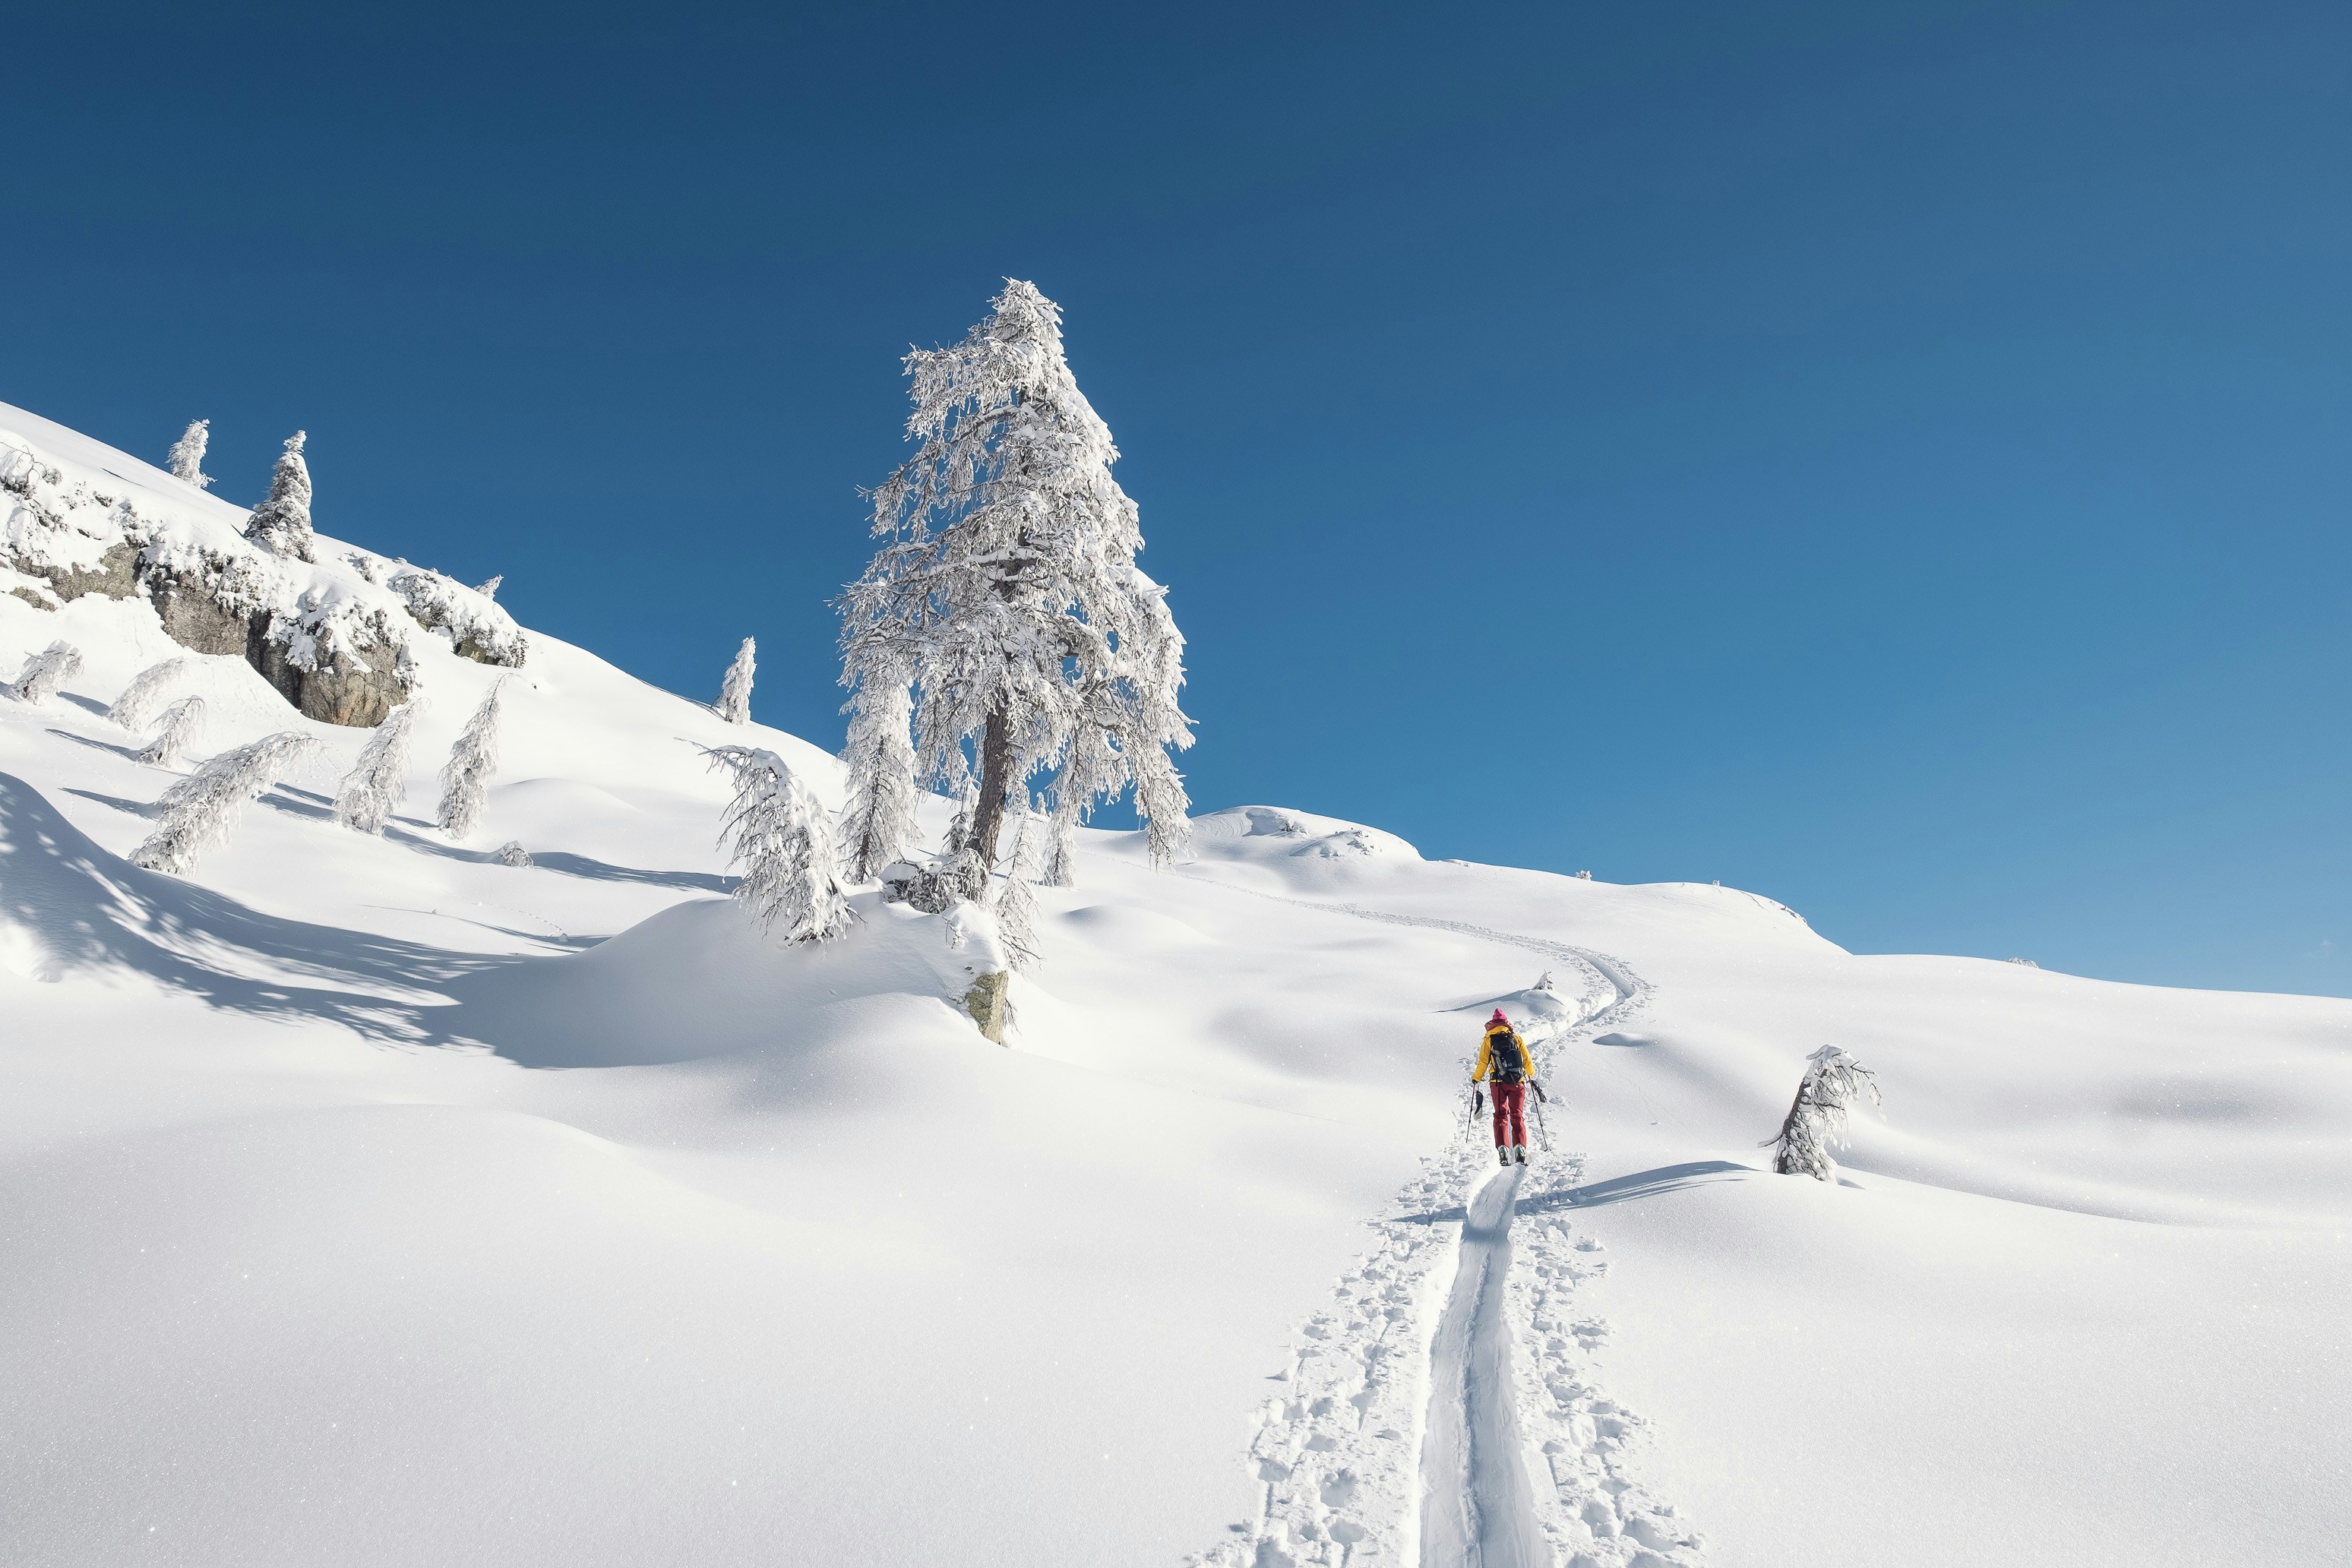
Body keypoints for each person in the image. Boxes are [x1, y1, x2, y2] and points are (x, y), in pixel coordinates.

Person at [1473, 1008, 1535, 1165]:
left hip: (1497, 1084)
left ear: (1493, 1024)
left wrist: (1476, 1078)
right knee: (1517, 1116)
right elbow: (1526, 1059)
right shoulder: (1516, 1038)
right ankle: (1520, 1147)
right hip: (1517, 1082)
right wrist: (1530, 1074)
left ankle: (1503, 1149)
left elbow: (1483, 1062)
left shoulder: (1489, 1040)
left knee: (1500, 1116)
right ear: (1506, 1023)